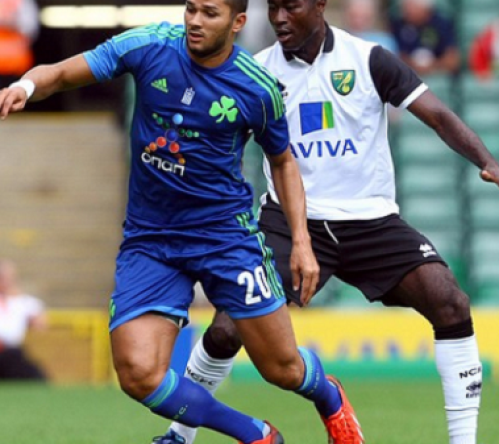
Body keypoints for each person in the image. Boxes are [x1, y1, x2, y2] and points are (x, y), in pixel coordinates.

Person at [0, 0, 363, 442]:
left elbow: (283, 162)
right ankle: (257, 434)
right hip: (152, 239)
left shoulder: (257, 87)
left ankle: (329, 396)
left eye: (210, 14)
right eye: (191, 9)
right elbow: (64, 73)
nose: (195, 21)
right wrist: (25, 87)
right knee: (138, 373)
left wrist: (301, 242)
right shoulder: (149, 46)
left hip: (225, 238)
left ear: (238, 23)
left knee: (283, 368)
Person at [159, 2, 498, 444]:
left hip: (371, 221)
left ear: (319, 5)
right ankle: (179, 434)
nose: (279, 17)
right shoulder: (254, 72)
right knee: (226, 328)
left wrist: (488, 161)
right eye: (273, 7)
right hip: (290, 222)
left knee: (450, 302)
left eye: (291, 6)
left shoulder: (369, 59)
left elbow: (438, 115)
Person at [390, 0, 459, 75]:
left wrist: (433, 65)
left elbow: (452, 61)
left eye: (412, 6)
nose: (406, 10)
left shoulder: (442, 25)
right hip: (408, 73)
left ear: (426, 8)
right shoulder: (398, 26)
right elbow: (393, 57)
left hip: (436, 73)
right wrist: (412, 64)